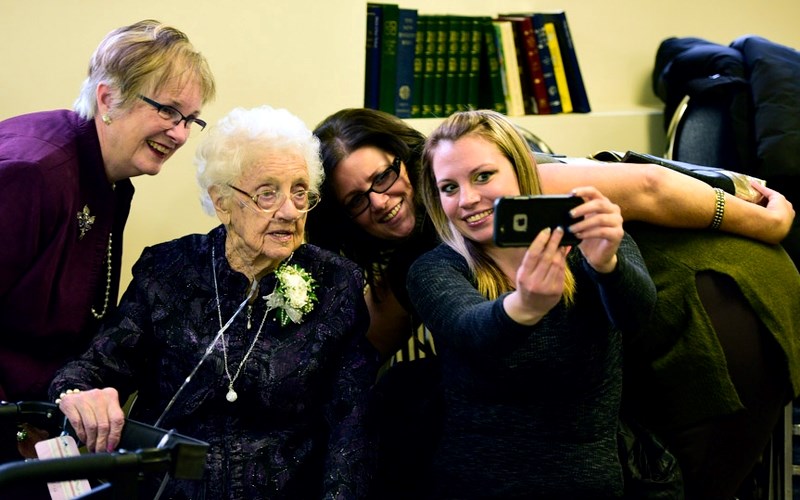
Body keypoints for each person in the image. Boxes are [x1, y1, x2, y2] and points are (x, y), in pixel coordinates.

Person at [308, 107, 800, 498]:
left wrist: (770, 224)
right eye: (355, 200)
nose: (377, 200)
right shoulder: (426, 261)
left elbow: (652, 189)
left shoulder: (541, 197)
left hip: (698, 289)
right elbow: (385, 341)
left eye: (383, 176)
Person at [48, 105, 378, 499]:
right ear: (221, 201)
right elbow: (94, 369)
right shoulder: (168, 271)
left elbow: (351, 421)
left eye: (300, 191)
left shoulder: (336, 282)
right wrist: (77, 394)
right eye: (267, 193)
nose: (289, 211)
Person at [406, 109, 657, 497]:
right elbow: (471, 331)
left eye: (483, 176)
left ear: (520, 170)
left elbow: (637, 316)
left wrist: (607, 265)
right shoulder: (435, 269)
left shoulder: (590, 244)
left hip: (586, 483)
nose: (468, 199)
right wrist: (525, 306)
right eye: (449, 188)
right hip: (473, 485)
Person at [0, 19, 216, 461]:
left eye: (190, 119)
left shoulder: (110, 178)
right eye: (168, 111)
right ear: (108, 98)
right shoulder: (33, 173)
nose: (179, 134)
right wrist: (17, 428)